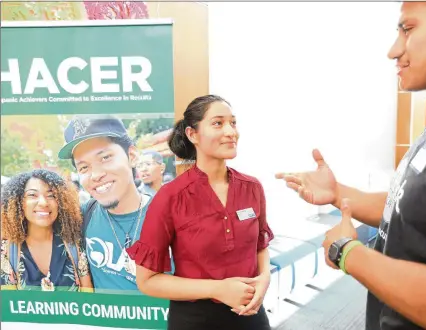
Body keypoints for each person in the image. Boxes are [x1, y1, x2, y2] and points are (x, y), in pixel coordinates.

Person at [276, 2, 426, 330]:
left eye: (407, 29)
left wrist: (347, 252)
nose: (393, 50)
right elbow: (415, 208)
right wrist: (338, 193)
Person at [127, 95, 274, 330]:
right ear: (192, 134)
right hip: (195, 319)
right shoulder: (171, 196)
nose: (230, 131)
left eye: (233, 123)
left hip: (251, 314)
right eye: (218, 123)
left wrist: (264, 277)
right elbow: (147, 282)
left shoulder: (252, 187)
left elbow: (260, 245)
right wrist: (217, 289)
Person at [58, 115, 152, 293]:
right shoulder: (84, 216)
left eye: (105, 157)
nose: (95, 175)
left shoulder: (173, 216)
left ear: (131, 156)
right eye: (84, 167)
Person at [0, 169, 93, 292]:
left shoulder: (74, 245)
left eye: (51, 195)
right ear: (18, 202)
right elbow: (8, 305)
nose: (43, 202)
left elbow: (88, 300)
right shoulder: (7, 251)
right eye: (32, 195)